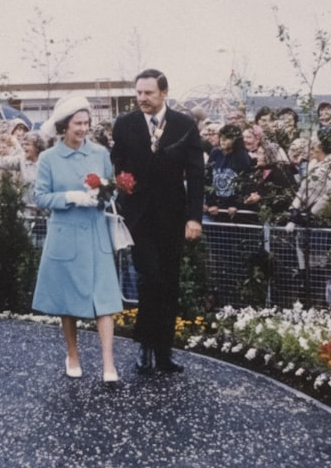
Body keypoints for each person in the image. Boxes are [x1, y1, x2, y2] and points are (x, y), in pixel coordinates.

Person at [111, 69, 204, 374]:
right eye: (138, 92)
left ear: (163, 93)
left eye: (148, 93)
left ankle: (163, 351)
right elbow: (117, 166)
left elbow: (196, 175)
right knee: (150, 277)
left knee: (168, 283)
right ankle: (145, 345)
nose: (142, 99)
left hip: (173, 217)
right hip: (137, 219)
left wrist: (194, 217)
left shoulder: (184, 125)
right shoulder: (124, 125)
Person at [31, 96, 123, 384]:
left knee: (105, 301)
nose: (84, 129)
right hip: (65, 237)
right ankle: (73, 354)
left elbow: (113, 189)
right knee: (68, 302)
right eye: (77, 124)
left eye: (86, 123)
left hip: (95, 235)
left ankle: (109, 364)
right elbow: (40, 196)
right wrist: (70, 197)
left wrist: (102, 197)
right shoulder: (48, 158)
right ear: (63, 126)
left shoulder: (99, 153)